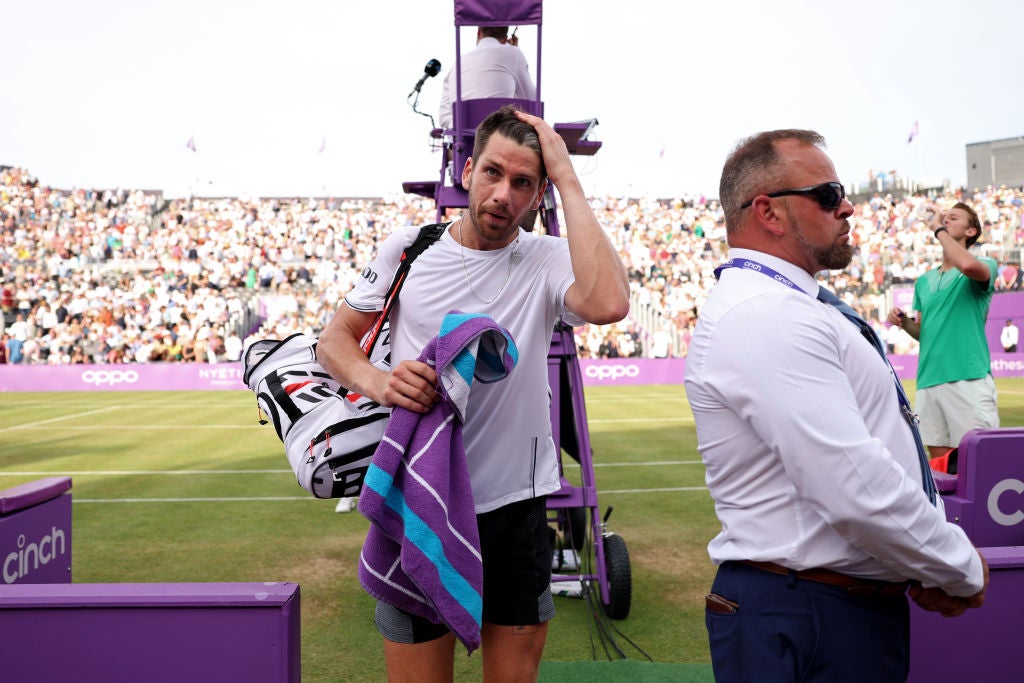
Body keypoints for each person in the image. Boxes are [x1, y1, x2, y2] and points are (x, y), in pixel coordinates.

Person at [317, 105, 629, 683]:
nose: (503, 194)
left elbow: (609, 303)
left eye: (524, 183)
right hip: (422, 499)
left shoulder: (545, 259)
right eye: (492, 173)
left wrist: (568, 175)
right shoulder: (410, 250)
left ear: (539, 195)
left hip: (516, 508)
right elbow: (334, 341)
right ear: (466, 170)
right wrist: (380, 381)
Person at [684, 129, 988, 682]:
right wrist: (958, 566)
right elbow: (855, 484)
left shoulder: (786, 304)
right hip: (807, 611)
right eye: (827, 194)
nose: (847, 206)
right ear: (769, 213)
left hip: (822, 602)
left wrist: (917, 563)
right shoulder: (767, 312)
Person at [887, 201, 1000, 458]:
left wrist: (939, 230)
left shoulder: (985, 264)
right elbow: (923, 333)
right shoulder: (924, 280)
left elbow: (969, 267)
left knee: (977, 464)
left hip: (967, 377)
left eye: (953, 217)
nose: (945, 220)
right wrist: (904, 323)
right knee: (940, 467)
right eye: (944, 217)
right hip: (928, 379)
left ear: (971, 232)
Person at [438, 26, 536, 131]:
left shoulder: (457, 64)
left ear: (479, 32)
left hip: (465, 142)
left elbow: (444, 118)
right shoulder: (513, 53)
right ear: (505, 38)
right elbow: (532, 101)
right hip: (500, 136)